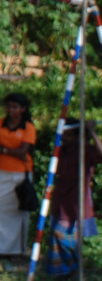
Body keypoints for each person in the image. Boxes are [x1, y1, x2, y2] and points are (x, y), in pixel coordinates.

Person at [0, 92, 36, 257]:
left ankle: (15, 250)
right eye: (9, 106)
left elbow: (23, 151)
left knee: (17, 213)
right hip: (1, 172)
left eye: (15, 107)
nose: (11, 110)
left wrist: (2, 150)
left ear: (23, 109)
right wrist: (10, 151)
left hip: (20, 175)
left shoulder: (28, 128)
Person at [44, 118, 102, 277]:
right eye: (64, 134)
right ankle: (62, 272)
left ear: (77, 136)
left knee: (62, 233)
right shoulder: (61, 150)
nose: (65, 138)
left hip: (76, 199)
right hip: (61, 197)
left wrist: (91, 131)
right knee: (55, 234)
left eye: (69, 135)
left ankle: (74, 266)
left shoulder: (85, 149)